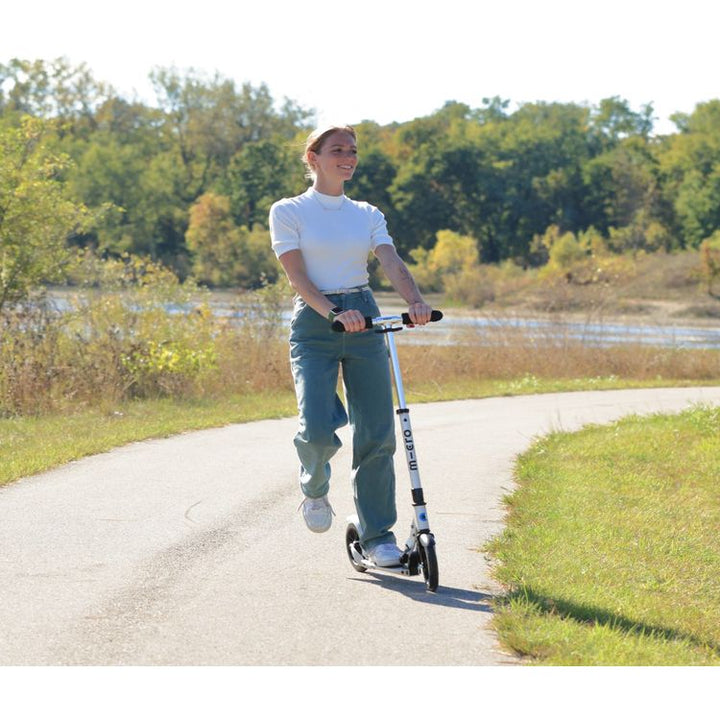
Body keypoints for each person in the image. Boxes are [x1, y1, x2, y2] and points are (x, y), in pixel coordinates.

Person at [268, 124, 432, 568]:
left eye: (353, 150)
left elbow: (390, 261)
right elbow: (297, 277)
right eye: (338, 149)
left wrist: (415, 301)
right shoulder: (289, 210)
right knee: (317, 426)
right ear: (313, 158)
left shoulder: (366, 213)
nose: (348, 157)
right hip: (316, 320)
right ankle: (314, 486)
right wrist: (333, 313)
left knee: (378, 433)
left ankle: (378, 536)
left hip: (365, 314)